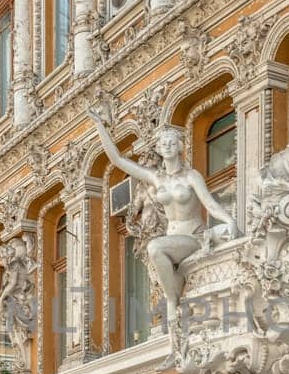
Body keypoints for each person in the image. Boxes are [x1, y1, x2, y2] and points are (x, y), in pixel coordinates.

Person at [88, 105, 239, 338]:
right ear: (158, 148)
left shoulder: (191, 176)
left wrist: (230, 220)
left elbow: (210, 204)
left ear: (180, 147)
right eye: (163, 143)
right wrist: (99, 126)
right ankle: (175, 329)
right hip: (173, 241)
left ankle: (173, 297)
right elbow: (117, 160)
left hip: (193, 238)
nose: (167, 145)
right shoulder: (155, 179)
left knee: (155, 247)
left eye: (172, 142)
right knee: (158, 251)